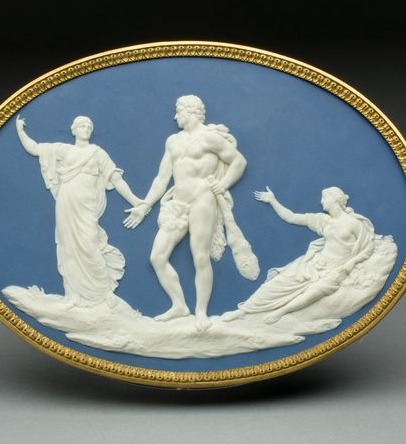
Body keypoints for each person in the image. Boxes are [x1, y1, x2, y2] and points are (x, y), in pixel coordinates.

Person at [123, 95, 248, 330]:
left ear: (190, 112)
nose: (175, 117)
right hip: (177, 203)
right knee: (157, 257)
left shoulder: (210, 138)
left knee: (200, 256)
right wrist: (145, 205)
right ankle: (179, 306)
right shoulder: (173, 141)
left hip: (202, 199)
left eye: (178, 112)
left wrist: (223, 185)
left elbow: (238, 161)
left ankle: (201, 312)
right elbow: (162, 179)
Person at [15, 115, 143, 307]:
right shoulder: (64, 150)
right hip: (66, 203)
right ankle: (72, 295)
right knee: (67, 247)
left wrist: (135, 200)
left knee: (90, 245)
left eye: (89, 126)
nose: (86, 128)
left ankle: (104, 291)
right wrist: (20, 130)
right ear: (73, 130)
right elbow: (34, 148)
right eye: (82, 126)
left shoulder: (97, 153)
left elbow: (116, 180)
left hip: (86, 205)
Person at [222, 186, 375, 324]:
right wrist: (273, 201)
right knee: (277, 282)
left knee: (314, 292)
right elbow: (291, 217)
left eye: (324, 197)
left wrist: (351, 263)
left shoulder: (353, 223)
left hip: (336, 268)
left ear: (335, 199)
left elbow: (368, 247)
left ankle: (281, 312)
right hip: (314, 263)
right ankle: (243, 311)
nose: (321, 201)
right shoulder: (322, 220)